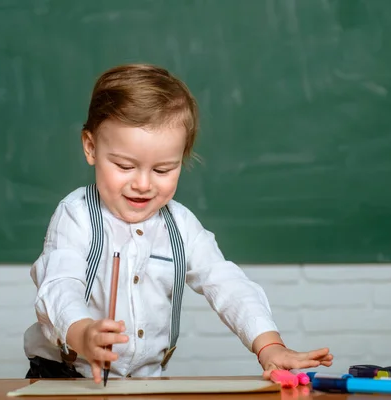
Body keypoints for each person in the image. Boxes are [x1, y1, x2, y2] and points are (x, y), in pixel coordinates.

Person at [23, 63, 333, 382]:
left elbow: (226, 283)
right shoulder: (77, 215)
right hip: (66, 373)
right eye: (125, 166)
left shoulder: (180, 225)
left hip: (145, 379)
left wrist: (269, 346)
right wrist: (83, 333)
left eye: (163, 170)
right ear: (91, 147)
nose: (143, 184)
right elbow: (59, 286)